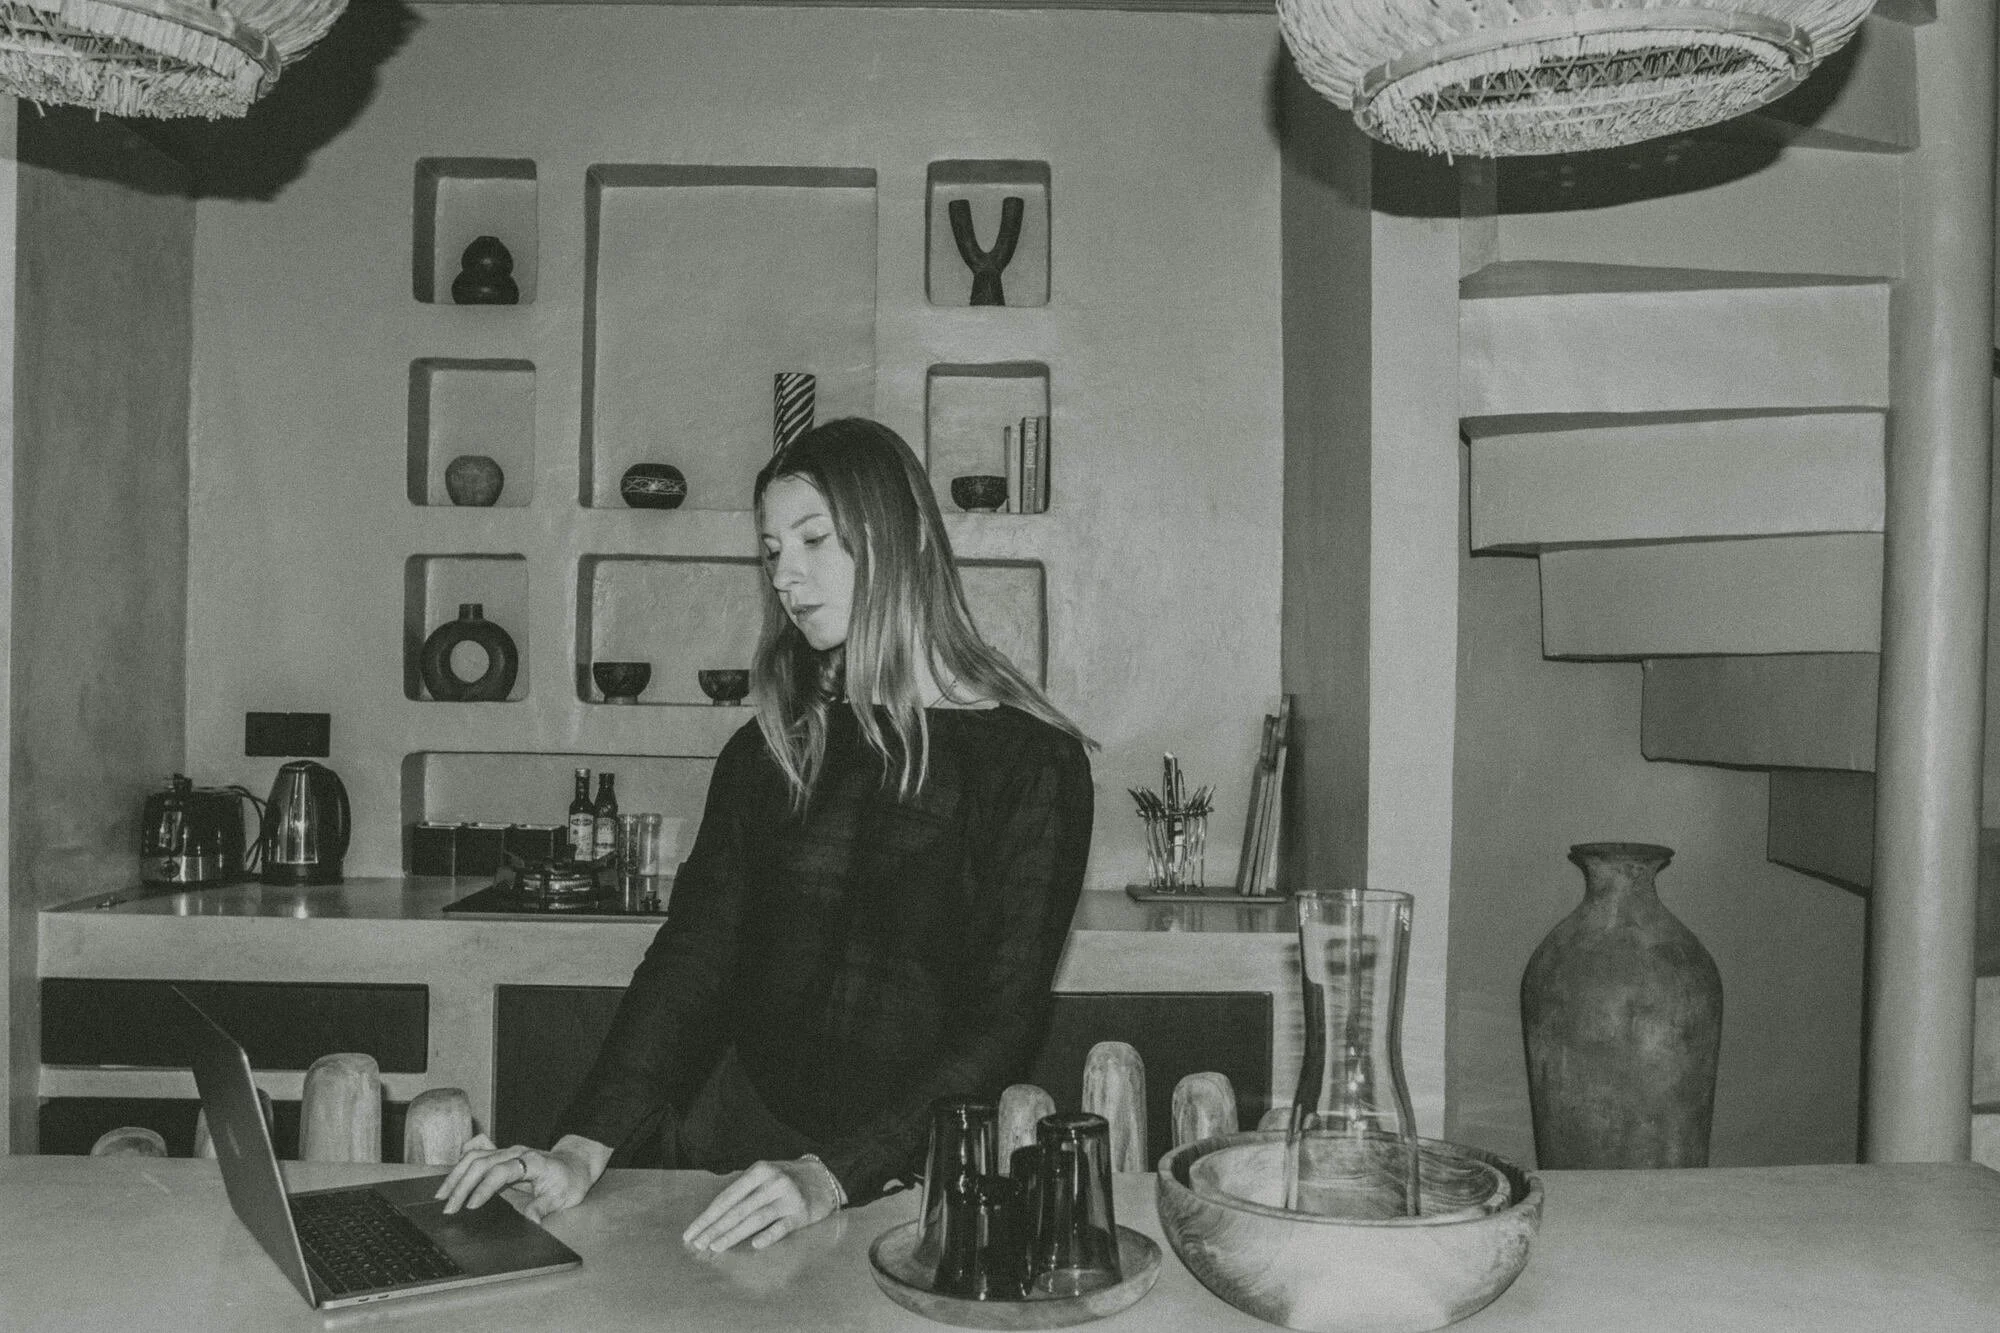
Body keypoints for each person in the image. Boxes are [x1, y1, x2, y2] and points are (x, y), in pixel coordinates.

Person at [437, 417, 1095, 1254]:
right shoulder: (771, 748)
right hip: (735, 1162)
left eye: (814, 539)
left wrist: (832, 1174)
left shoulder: (1033, 764)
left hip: (913, 1186)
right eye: (772, 548)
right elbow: (691, 962)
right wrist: (578, 1148)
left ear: (904, 537)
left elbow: (999, 1028)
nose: (786, 573)